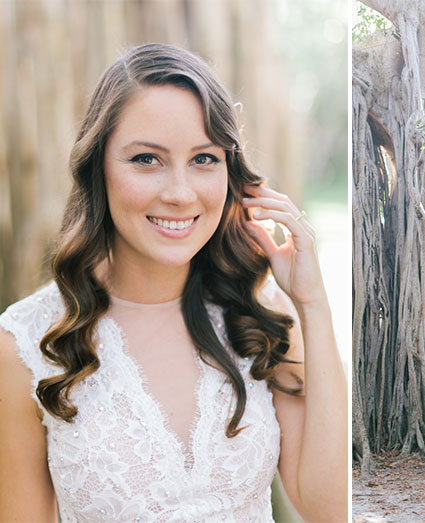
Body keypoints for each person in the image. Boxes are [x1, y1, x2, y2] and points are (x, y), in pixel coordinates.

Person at [0, 43, 347, 522]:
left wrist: (312, 302)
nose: (180, 193)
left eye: (204, 159)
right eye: (147, 159)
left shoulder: (257, 314)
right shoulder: (23, 344)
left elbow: (329, 508)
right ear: (98, 167)